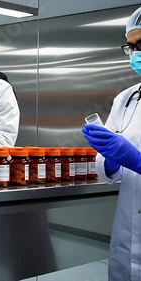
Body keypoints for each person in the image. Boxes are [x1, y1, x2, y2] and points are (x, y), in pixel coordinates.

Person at [82, 7, 141, 281]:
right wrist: (109, 157)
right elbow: (107, 167)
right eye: (131, 47)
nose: (135, 53)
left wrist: (138, 161)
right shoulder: (126, 98)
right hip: (128, 226)